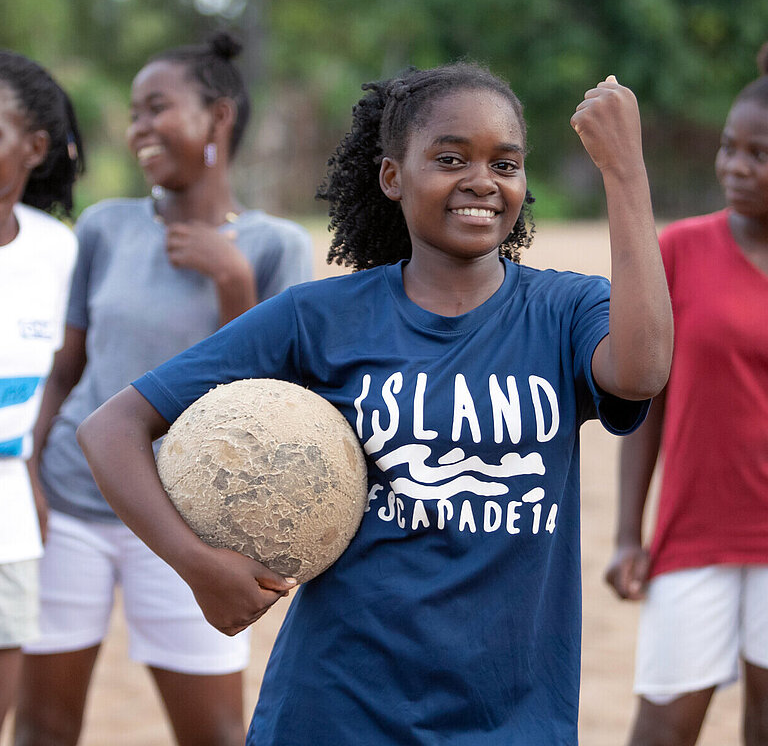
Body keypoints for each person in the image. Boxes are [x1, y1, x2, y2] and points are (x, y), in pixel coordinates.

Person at [76, 62, 673, 745]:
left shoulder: (566, 310)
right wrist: (196, 563)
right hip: (338, 709)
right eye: (451, 158)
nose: (482, 179)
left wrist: (625, 170)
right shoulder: (319, 317)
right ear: (393, 177)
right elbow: (112, 428)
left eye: (505, 163)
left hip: (513, 716)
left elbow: (642, 369)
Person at [15, 32, 313, 746]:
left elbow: (267, 408)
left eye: (157, 108)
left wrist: (232, 282)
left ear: (217, 117)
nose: (138, 128)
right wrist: (29, 472)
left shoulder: (275, 247)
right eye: (132, 113)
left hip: (190, 522)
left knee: (210, 732)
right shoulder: (105, 227)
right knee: (44, 727)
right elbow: (66, 371)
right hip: (71, 506)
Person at [604, 44, 768, 746]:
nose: (735, 166)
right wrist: (626, 533)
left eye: (758, 155)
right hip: (693, 532)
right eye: (730, 148)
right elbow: (647, 399)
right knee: (664, 725)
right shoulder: (682, 251)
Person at [0, 49, 83, 737]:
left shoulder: (57, 249)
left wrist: (30, 475)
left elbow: (62, 375)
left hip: (10, 523)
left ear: (33, 147)